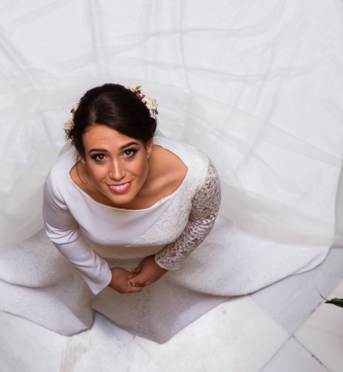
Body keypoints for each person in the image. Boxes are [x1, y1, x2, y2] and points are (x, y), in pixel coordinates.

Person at [43, 82, 221, 300]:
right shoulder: (61, 182)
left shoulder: (198, 174)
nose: (117, 174)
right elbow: (62, 232)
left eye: (128, 152)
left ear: (147, 145)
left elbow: (203, 219)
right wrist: (103, 275)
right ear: (81, 155)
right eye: (100, 156)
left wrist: (162, 263)